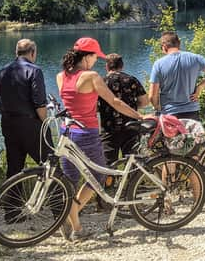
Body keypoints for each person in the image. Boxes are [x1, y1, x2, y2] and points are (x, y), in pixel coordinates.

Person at [57, 37, 147, 241]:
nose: (96, 60)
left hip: (67, 132)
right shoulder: (91, 76)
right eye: (95, 56)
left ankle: (75, 226)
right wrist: (139, 116)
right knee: (96, 177)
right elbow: (114, 101)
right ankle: (74, 215)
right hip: (86, 133)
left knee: (69, 181)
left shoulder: (61, 76)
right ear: (87, 57)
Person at [0, 39, 51, 179]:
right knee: (50, 166)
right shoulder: (35, 71)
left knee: (14, 171)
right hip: (31, 126)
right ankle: (56, 199)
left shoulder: (3, 71)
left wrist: (8, 113)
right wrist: (45, 123)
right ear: (33, 53)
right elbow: (40, 103)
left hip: (9, 125)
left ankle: (12, 200)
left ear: (16, 53)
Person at [149, 31, 205, 120]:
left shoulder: (159, 64)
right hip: (191, 113)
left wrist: (157, 108)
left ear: (164, 46)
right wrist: (200, 87)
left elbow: (152, 96)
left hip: (170, 114)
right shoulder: (195, 58)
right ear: (179, 43)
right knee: (191, 134)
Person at [100, 53, 150, 164]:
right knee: (133, 162)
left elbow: (95, 106)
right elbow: (145, 101)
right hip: (131, 126)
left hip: (109, 128)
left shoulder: (101, 82)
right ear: (122, 66)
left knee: (108, 164)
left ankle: (112, 181)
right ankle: (133, 180)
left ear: (107, 67)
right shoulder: (132, 80)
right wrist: (132, 107)